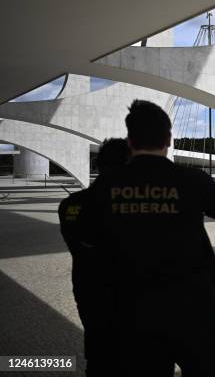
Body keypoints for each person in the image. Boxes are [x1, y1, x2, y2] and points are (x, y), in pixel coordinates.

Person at [81, 100, 215, 377]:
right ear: (168, 138)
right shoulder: (190, 178)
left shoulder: (108, 184)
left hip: (133, 312)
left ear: (130, 141)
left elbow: (87, 235)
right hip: (193, 308)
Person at [58, 138, 131, 377]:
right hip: (131, 299)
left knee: (98, 353)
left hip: (88, 291)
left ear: (98, 165)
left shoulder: (69, 205)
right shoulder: (136, 208)